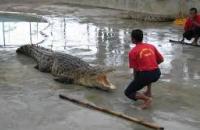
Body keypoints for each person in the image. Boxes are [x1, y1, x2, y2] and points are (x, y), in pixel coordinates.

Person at [124, 29, 164, 109]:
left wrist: (136, 81)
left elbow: (135, 69)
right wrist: (152, 66)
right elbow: (161, 60)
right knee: (146, 72)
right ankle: (148, 92)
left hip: (146, 75)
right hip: (157, 73)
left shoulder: (133, 52)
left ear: (133, 39)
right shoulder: (151, 46)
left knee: (128, 92)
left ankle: (147, 99)